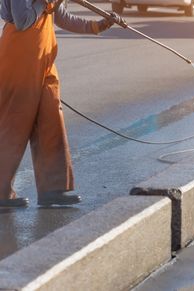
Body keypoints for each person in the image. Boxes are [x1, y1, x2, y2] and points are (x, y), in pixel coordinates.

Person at [0, 0, 122, 207]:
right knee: (14, 126)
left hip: (43, 59)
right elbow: (23, 20)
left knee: (51, 119)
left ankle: (53, 189)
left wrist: (98, 25)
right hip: (19, 58)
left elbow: (62, 18)